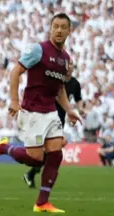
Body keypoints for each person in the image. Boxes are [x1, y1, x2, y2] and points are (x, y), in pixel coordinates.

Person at [0, 13, 82, 213]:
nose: (59, 30)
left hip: (50, 112)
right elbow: (15, 72)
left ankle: (42, 203)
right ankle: (3, 148)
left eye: (64, 27)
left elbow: (60, 89)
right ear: (50, 28)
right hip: (32, 111)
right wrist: (14, 100)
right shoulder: (38, 50)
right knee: (36, 159)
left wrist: (69, 110)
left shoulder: (65, 58)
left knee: (55, 155)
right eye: (56, 26)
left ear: (69, 31)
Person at [23, 58, 82, 188]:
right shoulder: (56, 81)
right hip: (47, 119)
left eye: (71, 64)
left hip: (59, 123)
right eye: (68, 64)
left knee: (50, 152)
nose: (70, 66)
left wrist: (80, 109)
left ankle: (32, 173)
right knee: (48, 151)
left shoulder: (75, 84)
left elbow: (78, 99)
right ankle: (34, 172)